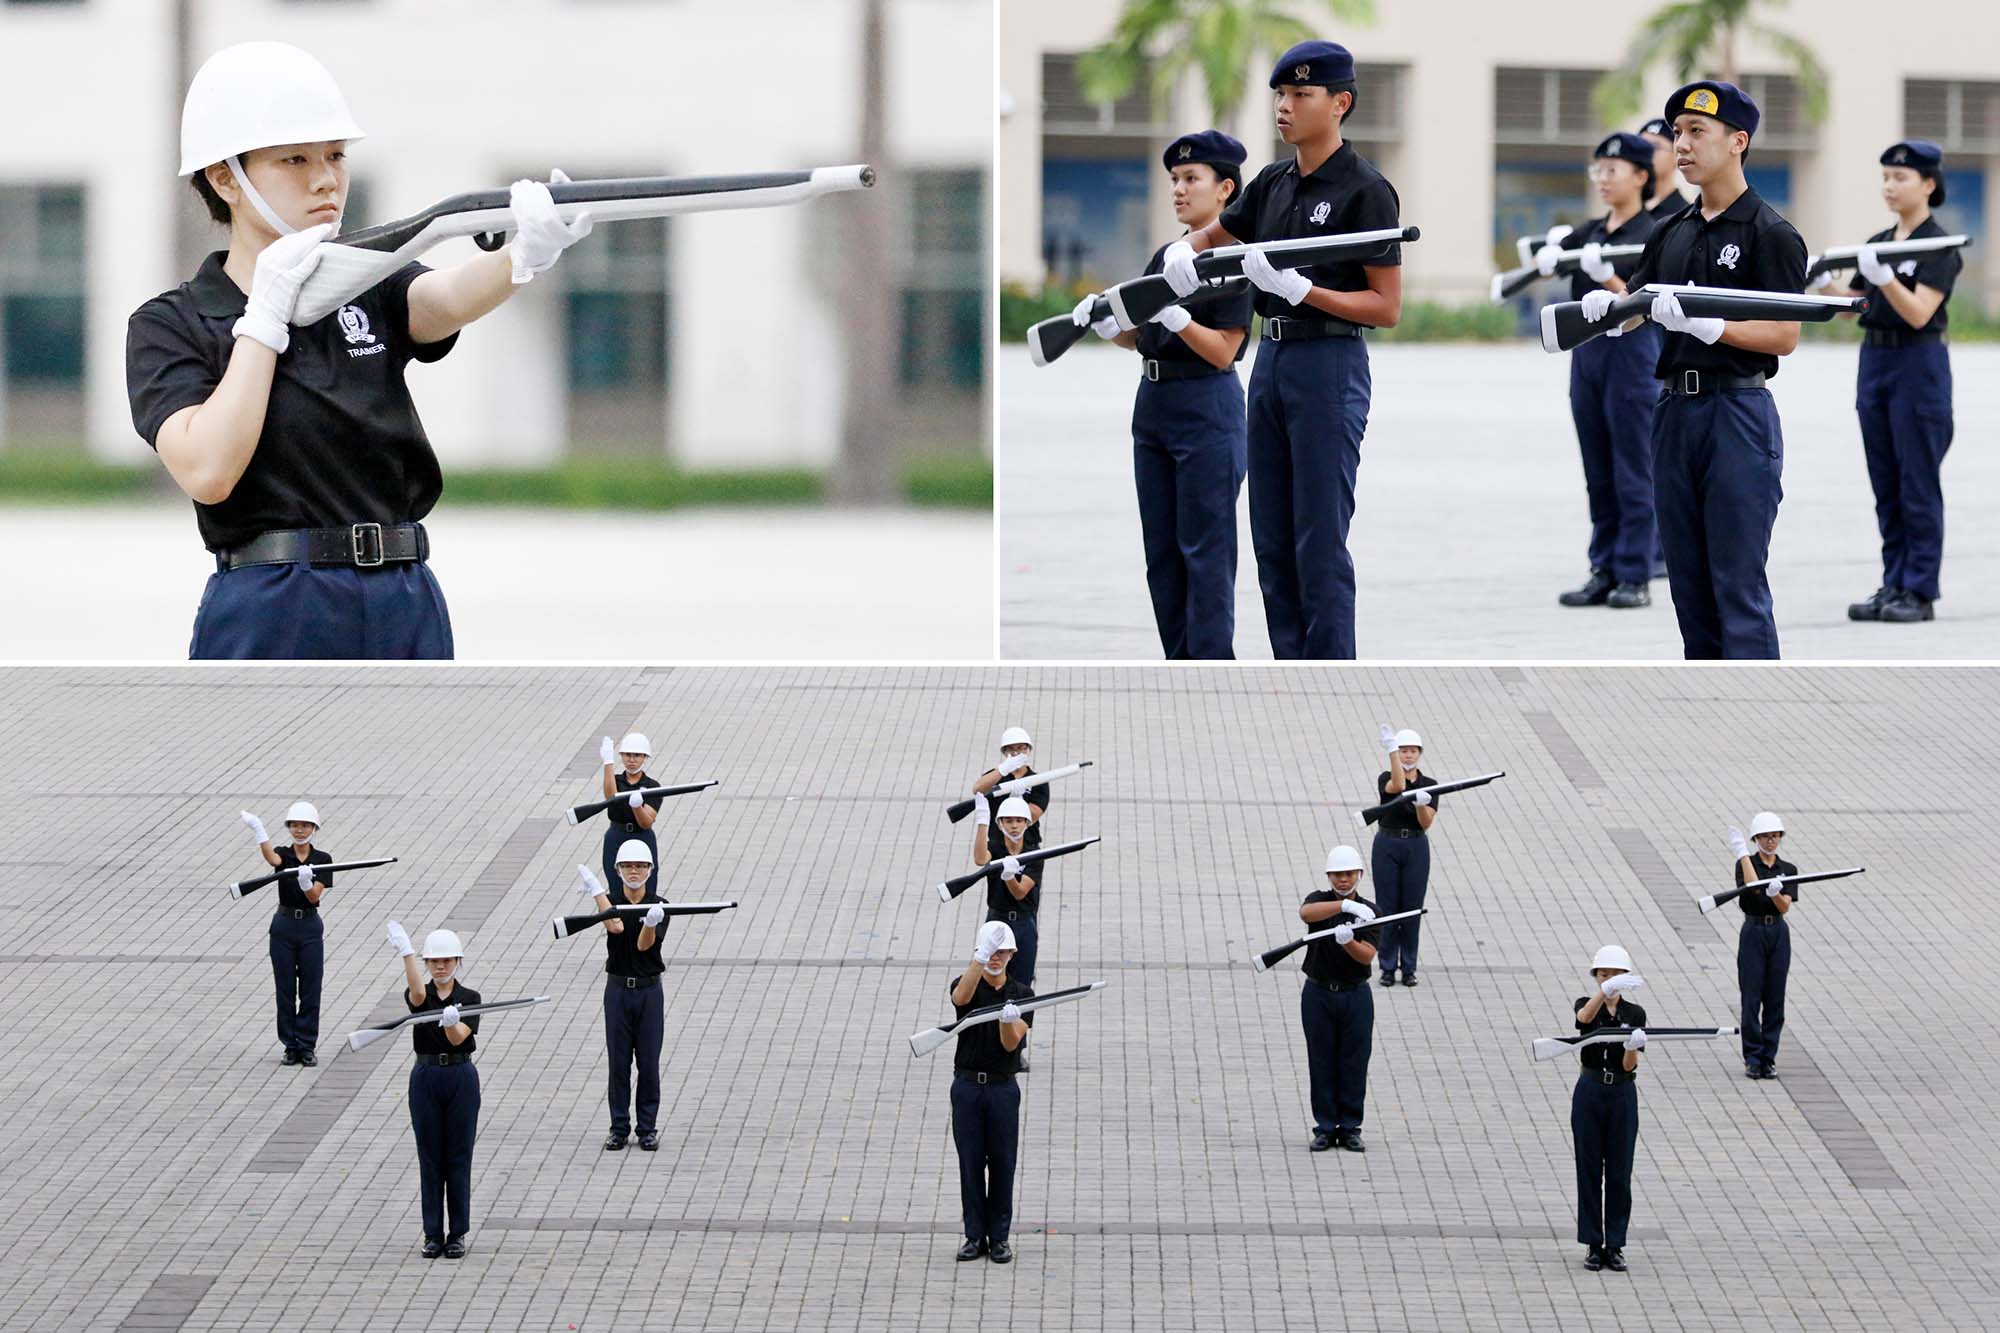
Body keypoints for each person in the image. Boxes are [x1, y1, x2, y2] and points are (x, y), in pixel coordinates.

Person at [126, 41, 595, 658]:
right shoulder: (172, 323)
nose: (326, 178)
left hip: (403, 592)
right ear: (224, 178)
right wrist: (263, 318)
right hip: (273, 600)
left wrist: (525, 253)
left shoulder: (365, 281)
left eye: (336, 155)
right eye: (294, 159)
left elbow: (445, 297)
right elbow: (209, 470)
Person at [1159, 41, 1403, 659]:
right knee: (1270, 536)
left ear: (1340, 103)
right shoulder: (1272, 181)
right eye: (1280, 95)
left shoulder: (1366, 189)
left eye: (1301, 94)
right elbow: (1213, 234)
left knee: (1318, 538)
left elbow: (1386, 307)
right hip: (1272, 363)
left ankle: (1331, 671)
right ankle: (1290, 667)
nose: (1284, 106)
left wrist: (1304, 290)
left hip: (1330, 363)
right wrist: (1186, 250)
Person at [1581, 81, 1807, 658]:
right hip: (1673, 413)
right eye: (1677, 132)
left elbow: (1784, 335)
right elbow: (1637, 305)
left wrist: (1714, 328)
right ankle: (1709, 699)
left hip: (1737, 411)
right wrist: (1610, 310)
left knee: (1737, 584)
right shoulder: (1671, 231)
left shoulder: (1770, 234)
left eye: (1696, 132)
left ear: (1738, 141)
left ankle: (1755, 703)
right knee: (1689, 587)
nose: (1681, 144)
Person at [1071, 131, 1252, 658]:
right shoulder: (1166, 255)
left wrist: (1178, 317)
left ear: (1225, 189)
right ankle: (1178, 663)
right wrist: (1108, 326)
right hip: (1153, 405)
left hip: (1207, 405)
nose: (1178, 189)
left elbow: (1224, 350)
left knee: (1205, 551)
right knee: (1162, 553)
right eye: (1174, 179)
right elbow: (1141, 337)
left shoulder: (1235, 256)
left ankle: (1211, 667)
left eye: (1192, 178)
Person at [1827, 140, 1962, 625]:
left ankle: (1919, 590)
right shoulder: (1880, 239)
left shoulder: (1938, 244)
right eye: (1885, 177)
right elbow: (1851, 307)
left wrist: (1884, 277)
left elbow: (1920, 311)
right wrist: (1821, 284)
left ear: (1928, 184)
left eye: (1900, 178)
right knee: (1885, 480)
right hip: (1876, 360)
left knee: (1916, 481)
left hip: (1918, 362)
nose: (1889, 186)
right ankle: (1893, 581)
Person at [1550, 133, 1663, 611]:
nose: (1603, 179)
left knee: (1633, 468)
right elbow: (1553, 264)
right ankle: (1603, 567)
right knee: (1597, 470)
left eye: (1612, 170)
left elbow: (1645, 302)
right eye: (1598, 170)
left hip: (1633, 354)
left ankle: (1635, 572)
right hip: (1588, 355)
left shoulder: (1653, 233)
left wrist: (1608, 277)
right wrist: (1549, 253)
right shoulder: (1590, 232)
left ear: (1640, 176)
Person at [386, 921, 480, 1259]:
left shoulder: (470, 998)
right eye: (433, 961)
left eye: (446, 961)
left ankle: (457, 1233)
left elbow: (459, 1039)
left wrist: (453, 1022)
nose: (440, 967)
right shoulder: (422, 995)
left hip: (460, 1075)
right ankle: (432, 1233)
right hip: (425, 1076)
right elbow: (416, 995)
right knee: (430, 1157)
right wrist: (407, 954)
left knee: (458, 1155)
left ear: (457, 962)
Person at [949, 921, 1033, 1265]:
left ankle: (999, 1238)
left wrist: (1006, 1019)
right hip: (967, 1087)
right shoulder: (967, 982)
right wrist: (979, 960)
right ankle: (974, 1236)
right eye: (990, 952)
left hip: (1002, 1089)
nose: (996, 958)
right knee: (970, 1163)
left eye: (1002, 952)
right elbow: (960, 998)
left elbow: (1011, 1044)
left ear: (1013, 954)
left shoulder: (1023, 994)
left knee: (1002, 1163)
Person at [580, 845, 669, 1150]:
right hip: (618, 992)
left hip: (649, 992)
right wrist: (596, 891)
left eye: (640, 866)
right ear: (617, 870)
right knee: (619, 1062)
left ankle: (647, 1128)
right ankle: (619, 1127)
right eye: (627, 866)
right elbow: (615, 926)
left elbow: (645, 946)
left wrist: (651, 923)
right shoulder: (612, 902)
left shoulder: (660, 905)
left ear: (650, 870)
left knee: (648, 1062)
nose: (634, 871)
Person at [1297, 844, 1380, 1152]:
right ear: (1328, 876)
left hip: (1355, 995)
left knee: (1354, 1062)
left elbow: (1367, 955)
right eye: (1337, 874)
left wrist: (1348, 942)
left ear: (1359, 875)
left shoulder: (1371, 912)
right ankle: (1324, 1126)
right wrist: (1344, 906)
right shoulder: (1319, 900)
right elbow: (1306, 913)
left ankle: (1349, 1127)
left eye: (1349, 874)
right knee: (1321, 1060)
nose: (1343, 880)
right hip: (1318, 993)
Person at [1572, 945, 1646, 1273]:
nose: (1610, 979)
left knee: (1619, 1170)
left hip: (1622, 1093)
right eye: (1604, 974)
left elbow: (1630, 1065)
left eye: (1616, 975)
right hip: (1590, 1091)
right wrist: (1604, 993)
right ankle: (1592, 1242)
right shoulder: (1586, 1003)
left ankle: (1615, 1244)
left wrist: (1632, 1046)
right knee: (1589, 1168)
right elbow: (1583, 1019)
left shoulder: (1635, 1014)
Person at [241, 801, 332, 1065]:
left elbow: (314, 896)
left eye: (305, 825)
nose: (299, 830)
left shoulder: (323, 859)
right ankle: (290, 1045)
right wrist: (259, 831)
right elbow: (273, 859)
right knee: (285, 988)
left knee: (311, 988)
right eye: (294, 825)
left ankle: (306, 1045)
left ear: (314, 828)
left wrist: (305, 883)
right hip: (283, 925)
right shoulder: (284, 854)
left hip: (310, 926)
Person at [1727, 811, 1797, 1079]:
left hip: (1777, 931)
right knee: (1751, 997)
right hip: (1753, 931)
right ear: (1756, 839)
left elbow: (1785, 907)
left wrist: (1776, 893)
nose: (1771, 841)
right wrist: (1742, 853)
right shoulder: (1745, 864)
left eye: (1775, 836)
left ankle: (1769, 1058)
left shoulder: (1787, 869)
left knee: (1775, 998)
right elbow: (1752, 887)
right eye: (1765, 836)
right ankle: (1753, 1058)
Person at [1371, 727, 1436, 987]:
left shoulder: (1429, 784)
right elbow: (1396, 786)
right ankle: (1387, 966)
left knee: (1412, 908)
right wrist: (1391, 753)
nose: (1408, 755)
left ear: (1419, 753)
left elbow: (1426, 822)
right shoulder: (1386, 776)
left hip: (1416, 846)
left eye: (1412, 751)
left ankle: (1408, 967)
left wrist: (1420, 804)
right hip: (1387, 842)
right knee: (1387, 908)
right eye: (1403, 751)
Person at [972, 796, 1042, 988]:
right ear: (1000, 824)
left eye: (1019, 820)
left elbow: (1020, 893)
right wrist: (982, 822)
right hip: (998, 917)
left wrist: (1009, 876)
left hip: (1024, 922)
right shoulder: (995, 847)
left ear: (1027, 823)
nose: (1014, 826)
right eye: (1009, 821)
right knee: (990, 977)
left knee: (1022, 981)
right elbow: (980, 859)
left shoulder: (1034, 853)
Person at [594, 732, 664, 894]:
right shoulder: (615, 780)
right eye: (627, 755)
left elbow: (646, 823)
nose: (631, 760)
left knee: (647, 886)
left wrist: (637, 807)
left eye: (637, 755)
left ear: (645, 757)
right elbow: (611, 797)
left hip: (642, 835)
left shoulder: (653, 786)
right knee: (616, 885)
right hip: (616, 834)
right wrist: (608, 763)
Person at [969, 727, 1051, 825]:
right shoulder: (995, 776)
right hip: (995, 833)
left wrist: (1017, 799)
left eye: (1020, 748)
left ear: (1028, 750)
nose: (1015, 753)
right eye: (1010, 749)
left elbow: (1033, 816)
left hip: (1027, 835)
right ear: (1004, 752)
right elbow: (977, 789)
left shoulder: (1038, 781)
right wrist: (1003, 769)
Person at [1636, 117, 1691, 221]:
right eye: (1641, 147)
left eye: (1654, 146)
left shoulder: (1683, 217)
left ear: (1676, 156)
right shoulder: (1628, 208)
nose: (1645, 154)